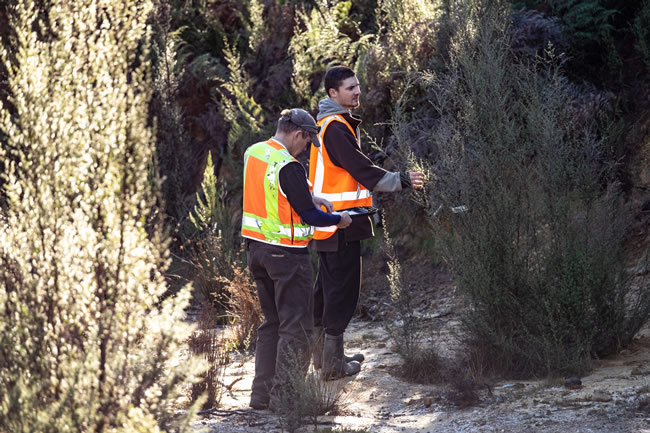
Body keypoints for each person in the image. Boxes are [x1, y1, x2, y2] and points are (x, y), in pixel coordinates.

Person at [309, 66, 425, 380]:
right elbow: (360, 168)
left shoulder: (329, 124)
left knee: (327, 289)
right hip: (342, 222)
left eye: (358, 86)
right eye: (350, 88)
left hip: (330, 222)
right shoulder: (334, 127)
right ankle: (331, 366)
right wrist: (399, 180)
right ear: (333, 93)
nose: (357, 92)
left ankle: (325, 359)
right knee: (341, 291)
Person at [241, 108, 352, 410]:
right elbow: (308, 215)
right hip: (286, 256)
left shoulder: (255, 153)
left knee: (271, 324)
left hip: (256, 251)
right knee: (297, 328)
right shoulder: (289, 166)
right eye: (307, 143)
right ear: (298, 134)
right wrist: (337, 220)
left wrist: (309, 195)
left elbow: (272, 190)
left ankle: (261, 396)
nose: (306, 149)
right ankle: (286, 397)